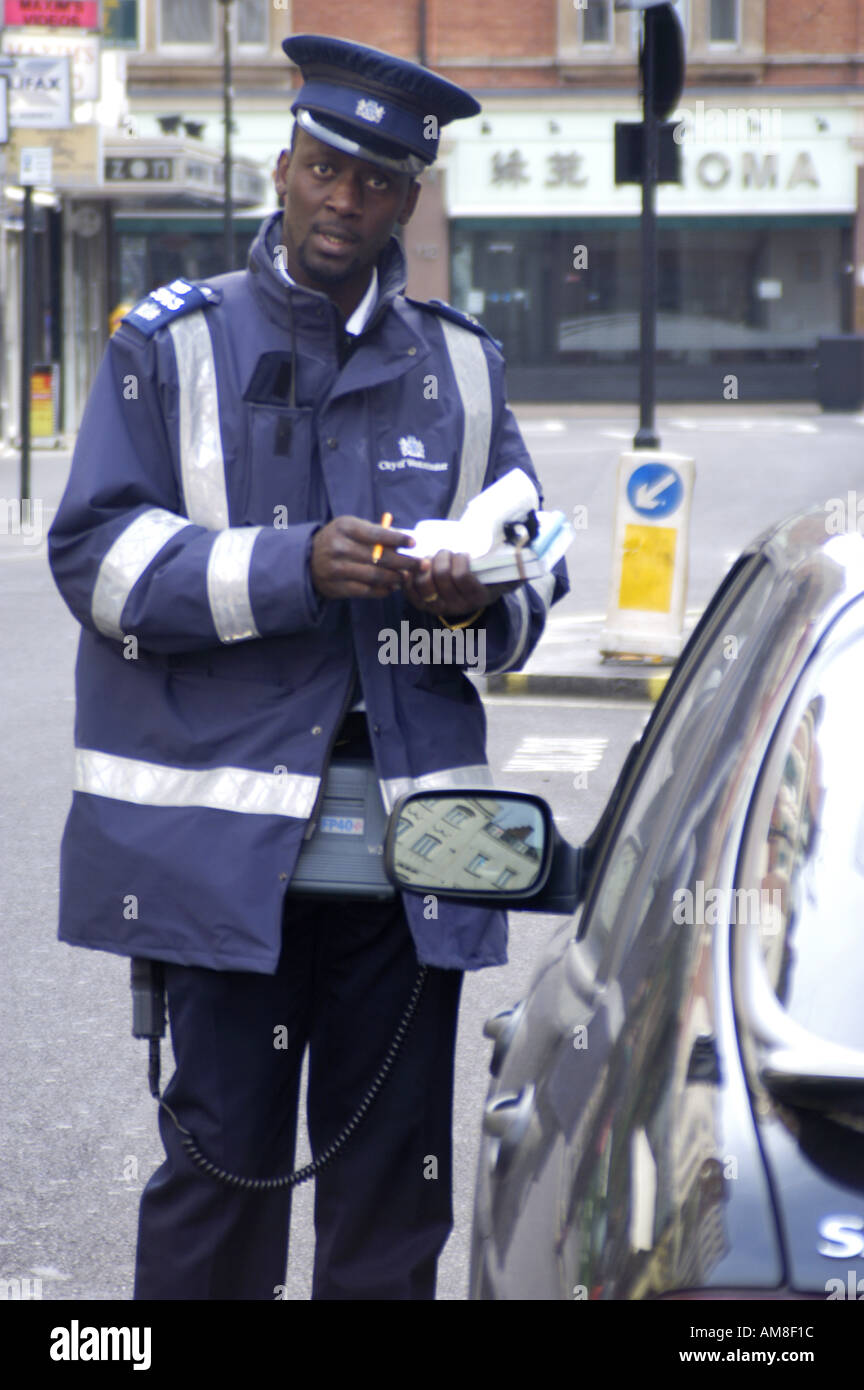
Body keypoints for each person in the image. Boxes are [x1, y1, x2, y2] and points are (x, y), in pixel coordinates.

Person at [47, 33, 568, 1301]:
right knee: (218, 1181)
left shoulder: (459, 361)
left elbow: (536, 570)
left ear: (409, 199)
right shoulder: (166, 346)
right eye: (326, 165)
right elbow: (97, 561)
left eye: (378, 180)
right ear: (283, 167)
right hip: (222, 851)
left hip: (414, 851)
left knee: (394, 1193)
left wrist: (476, 594)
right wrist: (294, 567)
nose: (346, 197)